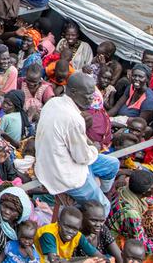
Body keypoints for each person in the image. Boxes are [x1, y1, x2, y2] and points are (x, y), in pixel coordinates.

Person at [34, 72, 119, 208]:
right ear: (73, 92)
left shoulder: (53, 102)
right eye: (88, 95)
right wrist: (95, 148)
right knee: (104, 207)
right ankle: (94, 210)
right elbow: (82, 158)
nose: (92, 99)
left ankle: (98, 195)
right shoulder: (73, 118)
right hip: (63, 175)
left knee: (113, 164)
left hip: (60, 160)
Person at [35, 207, 102, 263]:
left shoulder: (78, 236)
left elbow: (96, 254)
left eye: (75, 229)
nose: (70, 231)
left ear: (79, 228)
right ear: (59, 223)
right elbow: (53, 261)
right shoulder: (48, 234)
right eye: (66, 226)